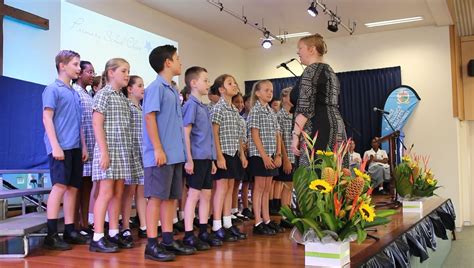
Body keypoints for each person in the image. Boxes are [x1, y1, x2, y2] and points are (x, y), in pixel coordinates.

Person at [143, 45, 195, 262]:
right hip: (160, 155)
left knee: (172, 198)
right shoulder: (155, 88)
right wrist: (157, 148)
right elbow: (149, 118)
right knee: (156, 198)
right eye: (177, 58)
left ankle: (167, 239)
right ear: (167, 63)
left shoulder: (173, 89)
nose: (180, 62)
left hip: (175, 155)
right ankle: (151, 244)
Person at [42, 50, 89, 250]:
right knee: (60, 186)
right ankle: (51, 234)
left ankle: (70, 230)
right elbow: (47, 118)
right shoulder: (52, 89)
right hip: (59, 146)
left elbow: (78, 122)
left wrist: (83, 145)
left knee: (72, 188)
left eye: (79, 65)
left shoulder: (73, 92)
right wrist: (55, 146)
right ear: (63, 65)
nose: (79, 68)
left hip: (75, 147)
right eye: (76, 64)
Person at [90, 58, 133, 253]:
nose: (127, 75)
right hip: (108, 150)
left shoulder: (123, 98)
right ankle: (98, 236)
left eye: (128, 71)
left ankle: (114, 232)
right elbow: (97, 124)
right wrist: (104, 152)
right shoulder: (103, 94)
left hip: (122, 151)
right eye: (123, 71)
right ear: (110, 73)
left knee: (118, 193)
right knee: (106, 193)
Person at [290, 34, 347, 167]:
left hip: (317, 127)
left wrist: (295, 135)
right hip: (336, 124)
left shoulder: (311, 71)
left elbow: (305, 108)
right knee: (333, 173)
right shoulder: (330, 71)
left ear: (312, 49)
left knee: (315, 172)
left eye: (300, 48)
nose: (298, 52)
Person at [182, 66, 223, 250]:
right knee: (194, 195)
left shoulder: (204, 106)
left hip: (206, 158)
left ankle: (204, 231)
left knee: (206, 194)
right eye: (205, 80)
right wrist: (188, 159)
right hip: (196, 158)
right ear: (193, 83)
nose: (208, 83)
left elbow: (208, 136)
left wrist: (213, 159)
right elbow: (186, 133)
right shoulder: (190, 105)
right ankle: (189, 234)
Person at [211, 74, 248, 242]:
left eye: (235, 82)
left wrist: (241, 154)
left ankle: (227, 222)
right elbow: (214, 133)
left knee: (230, 186)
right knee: (221, 188)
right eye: (230, 83)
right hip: (223, 153)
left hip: (233, 153)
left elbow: (239, 136)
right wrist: (218, 156)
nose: (235, 85)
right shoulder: (218, 108)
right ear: (221, 89)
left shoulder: (234, 109)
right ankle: (216, 224)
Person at [247, 80, 283, 235]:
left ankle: (267, 219)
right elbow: (254, 135)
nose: (270, 93)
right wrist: (264, 156)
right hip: (259, 155)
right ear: (257, 93)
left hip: (271, 155)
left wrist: (278, 154)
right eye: (266, 90)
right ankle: (257, 221)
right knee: (259, 188)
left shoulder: (271, 112)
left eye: (271, 90)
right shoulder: (255, 111)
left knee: (267, 188)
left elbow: (277, 134)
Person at [120, 75, 147, 242]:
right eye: (139, 85)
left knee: (142, 192)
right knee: (129, 191)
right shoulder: (127, 106)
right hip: (130, 153)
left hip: (142, 153)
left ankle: (144, 225)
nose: (143, 88)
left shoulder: (142, 109)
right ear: (130, 89)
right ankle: (125, 226)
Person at [72, 60, 96, 234]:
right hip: (81, 146)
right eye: (89, 72)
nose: (92, 75)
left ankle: (85, 224)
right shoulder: (75, 92)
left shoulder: (89, 95)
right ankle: (74, 225)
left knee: (87, 186)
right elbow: (77, 121)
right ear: (80, 73)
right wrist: (83, 146)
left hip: (92, 146)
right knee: (77, 187)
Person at [274, 87, 295, 229]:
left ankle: (289, 213)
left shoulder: (294, 116)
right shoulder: (280, 116)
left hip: (295, 156)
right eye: (290, 96)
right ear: (284, 99)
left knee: (291, 186)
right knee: (286, 186)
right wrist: (285, 158)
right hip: (286, 155)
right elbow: (279, 139)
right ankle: (284, 216)